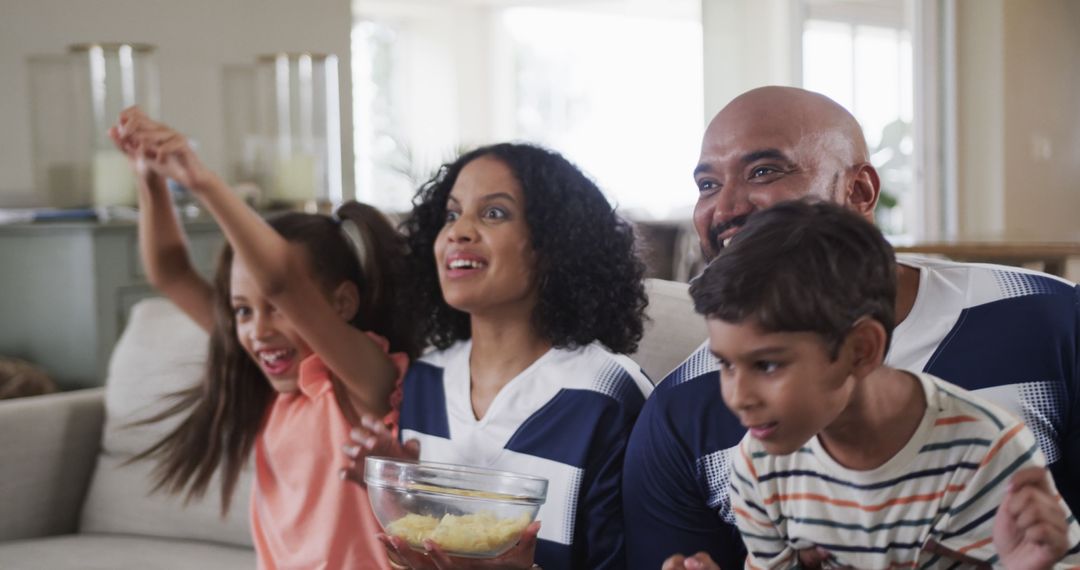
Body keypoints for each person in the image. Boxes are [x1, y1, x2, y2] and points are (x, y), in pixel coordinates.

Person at [622, 86, 1080, 569]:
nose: (726, 207)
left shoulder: (1045, 318)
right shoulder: (684, 419)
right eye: (708, 185)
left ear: (859, 191)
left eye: (763, 171)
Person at [672, 199, 1080, 569]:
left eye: (767, 365)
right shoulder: (757, 466)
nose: (738, 397)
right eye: (725, 365)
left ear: (861, 350)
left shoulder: (986, 453)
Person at [110, 107, 418, 570]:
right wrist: (149, 178)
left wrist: (202, 181)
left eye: (277, 310)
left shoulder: (361, 382)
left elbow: (282, 281)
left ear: (340, 305)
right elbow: (171, 273)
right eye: (242, 311)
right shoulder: (273, 383)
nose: (258, 331)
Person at [344, 143, 653, 569]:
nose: (459, 232)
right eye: (452, 215)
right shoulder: (425, 381)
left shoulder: (608, 395)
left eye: (493, 213)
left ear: (552, 244)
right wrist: (405, 492)